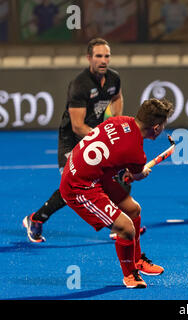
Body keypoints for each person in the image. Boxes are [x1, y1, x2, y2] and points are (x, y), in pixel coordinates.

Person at [59, 98, 173, 288]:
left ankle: (137, 261)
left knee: (134, 210)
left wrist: (125, 172)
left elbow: (113, 154)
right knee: (126, 229)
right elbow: (137, 174)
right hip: (80, 186)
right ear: (156, 127)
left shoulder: (119, 121)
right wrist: (139, 172)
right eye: (163, 126)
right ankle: (129, 275)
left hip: (91, 174)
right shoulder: (136, 152)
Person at [23, 38, 124, 242]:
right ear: (89, 58)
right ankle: (36, 218)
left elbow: (117, 97)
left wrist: (114, 122)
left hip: (95, 138)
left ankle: (119, 225)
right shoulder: (79, 85)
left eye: (106, 56)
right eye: (98, 56)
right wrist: (105, 140)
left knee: (118, 174)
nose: (103, 60)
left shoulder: (114, 79)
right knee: (74, 186)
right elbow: (78, 127)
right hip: (73, 140)